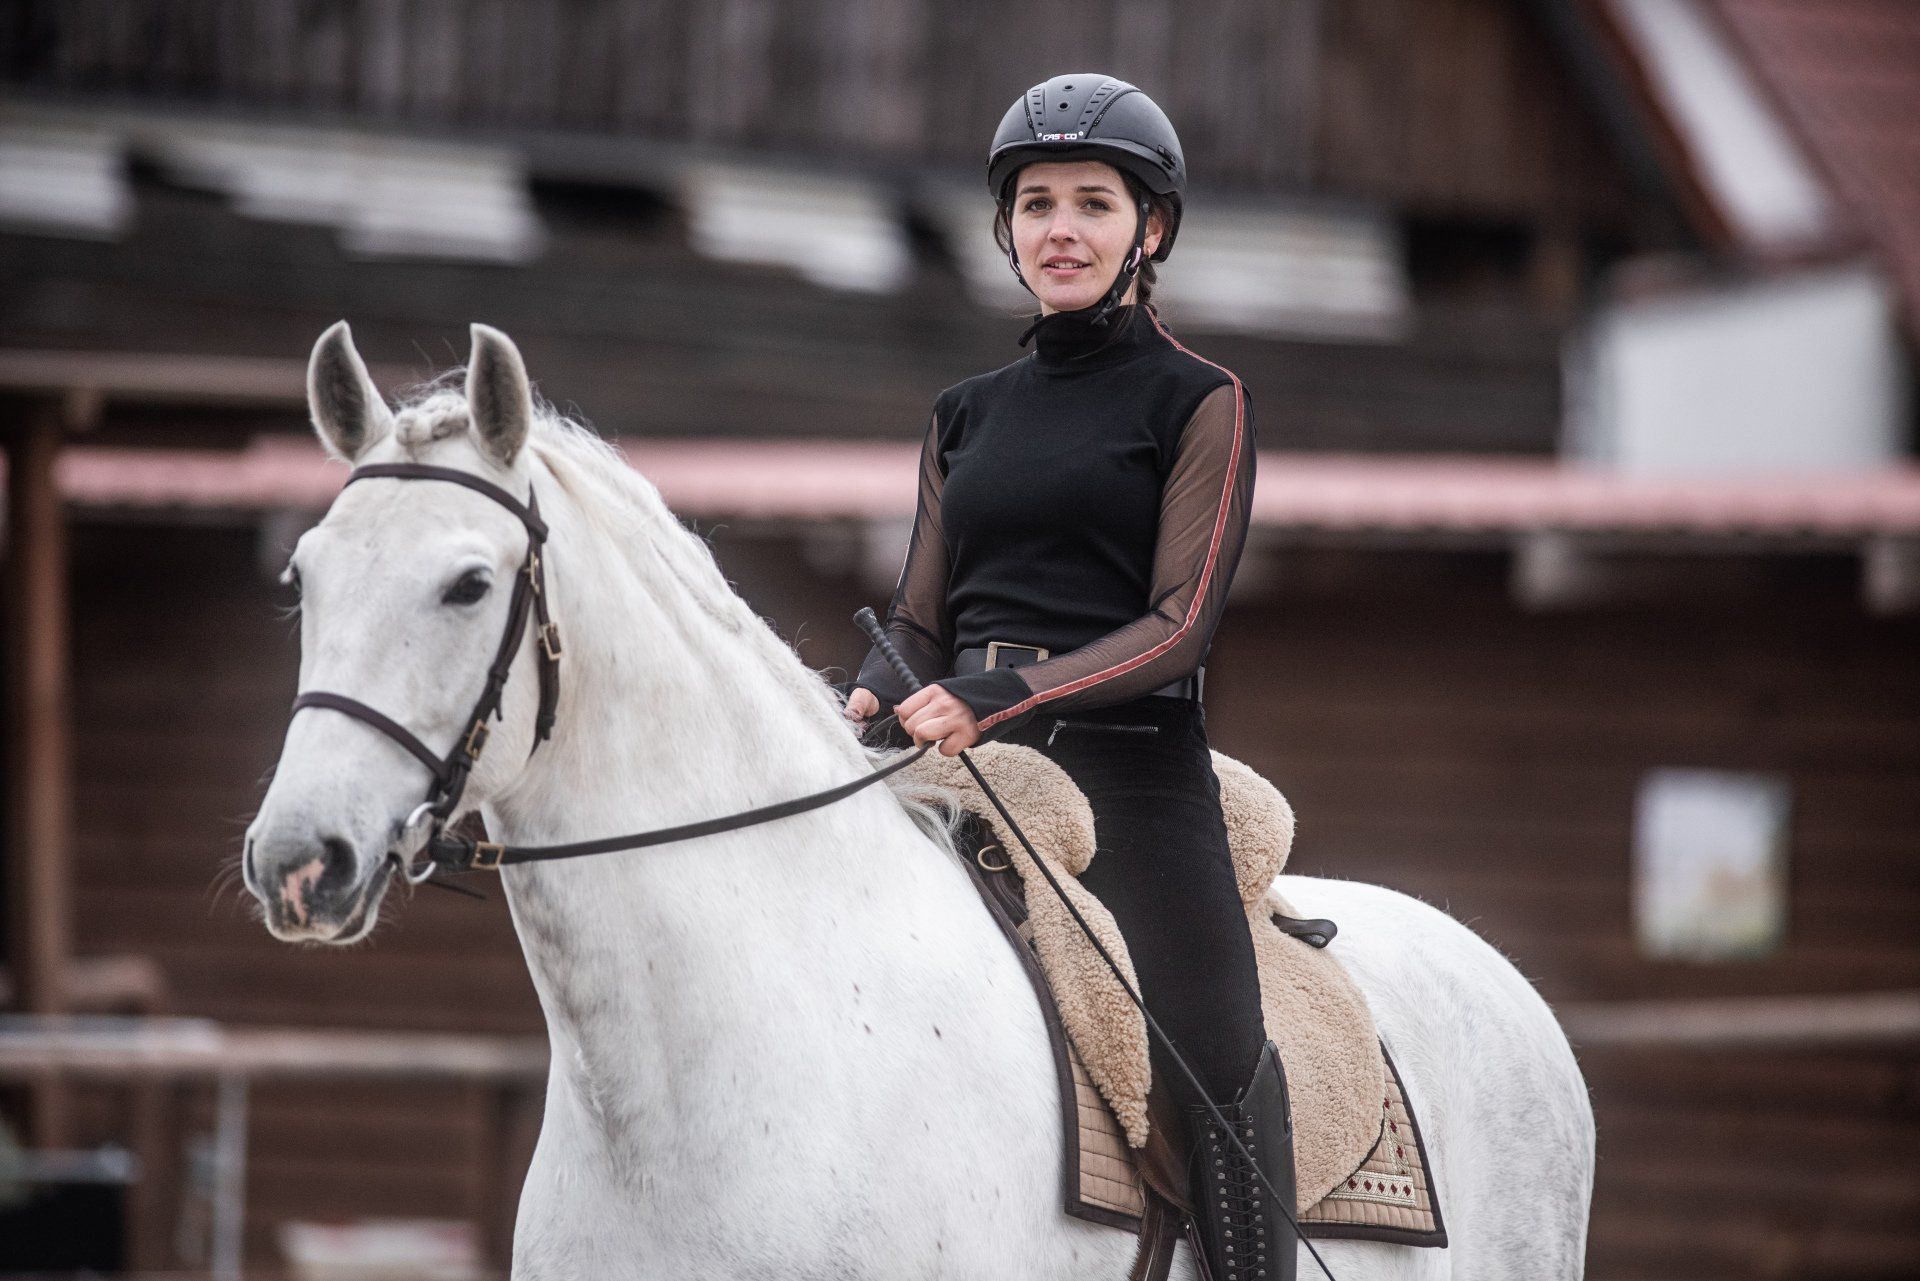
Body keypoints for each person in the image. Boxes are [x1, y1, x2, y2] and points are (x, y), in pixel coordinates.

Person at [842, 74, 1297, 1281]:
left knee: (1216, 1044)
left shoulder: (1200, 401)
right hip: (960, 760)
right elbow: (921, 619)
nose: (1060, 229)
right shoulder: (963, 413)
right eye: (1034, 203)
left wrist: (1004, 696)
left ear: (1149, 232)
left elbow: (1177, 625)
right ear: (1006, 231)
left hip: (1134, 778)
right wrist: (880, 685)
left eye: (1094, 204)